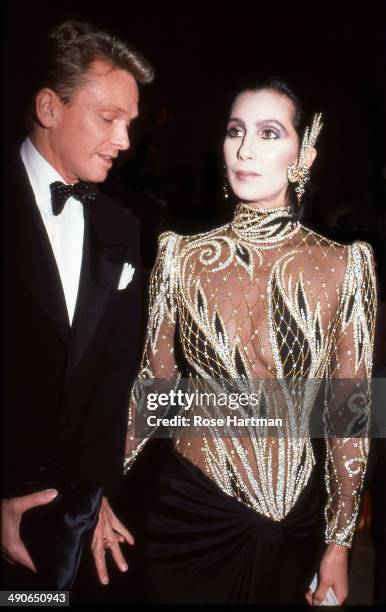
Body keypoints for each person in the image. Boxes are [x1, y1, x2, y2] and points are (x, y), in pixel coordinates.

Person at [123, 80, 377, 605]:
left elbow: (350, 415)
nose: (244, 150)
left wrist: (339, 542)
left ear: (304, 152)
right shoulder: (180, 256)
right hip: (188, 516)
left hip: (293, 529)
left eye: (268, 132)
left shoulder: (345, 266)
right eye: (236, 131)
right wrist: (90, 495)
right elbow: (152, 393)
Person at [1, 19, 154, 593]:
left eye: (129, 123)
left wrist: (98, 496)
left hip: (85, 530)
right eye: (108, 118)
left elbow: (118, 376)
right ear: (49, 107)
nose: (124, 141)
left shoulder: (125, 226)